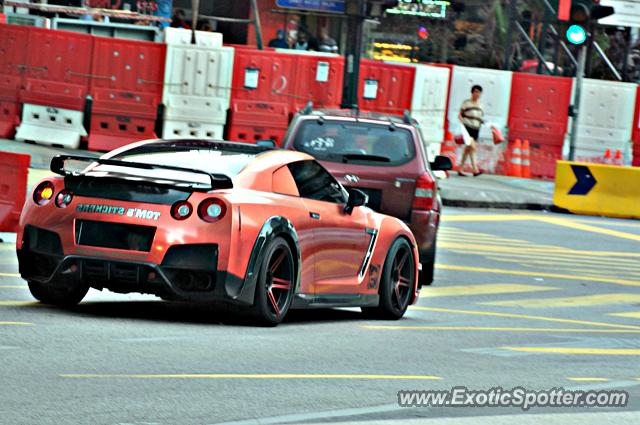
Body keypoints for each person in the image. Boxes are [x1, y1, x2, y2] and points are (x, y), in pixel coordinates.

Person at [458, 84, 484, 177]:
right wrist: (462, 124)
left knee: (468, 149)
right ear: (472, 92)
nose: (477, 94)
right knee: (473, 147)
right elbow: (460, 114)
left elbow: (480, 117)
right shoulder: (466, 103)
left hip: (476, 129)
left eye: (479, 92)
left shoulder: (480, 105)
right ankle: (475, 169)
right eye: (475, 92)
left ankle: (460, 168)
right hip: (467, 127)